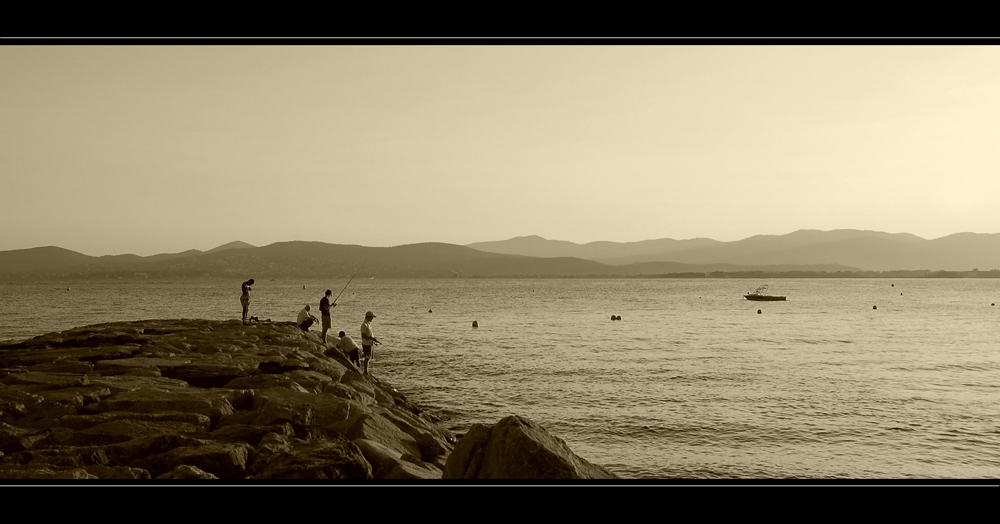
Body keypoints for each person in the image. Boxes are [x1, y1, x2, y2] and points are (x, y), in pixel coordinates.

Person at [360, 310, 380, 375]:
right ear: (368, 317)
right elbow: (364, 336)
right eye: (372, 317)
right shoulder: (364, 325)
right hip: (366, 344)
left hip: (370, 343)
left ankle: (366, 370)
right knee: (367, 357)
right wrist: (372, 339)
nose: (372, 319)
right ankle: (365, 371)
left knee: (368, 358)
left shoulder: (368, 324)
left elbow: (370, 334)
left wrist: (374, 341)